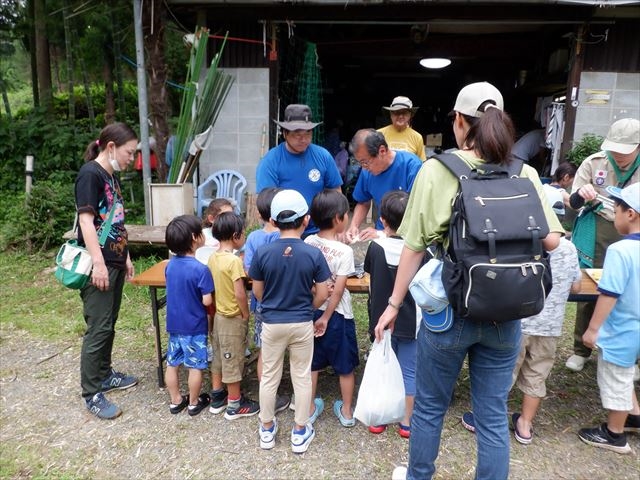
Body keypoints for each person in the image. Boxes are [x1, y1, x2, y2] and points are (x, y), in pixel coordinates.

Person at [375, 82, 563, 480]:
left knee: (428, 407)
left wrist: (393, 305)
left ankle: (418, 475)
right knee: (492, 414)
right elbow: (551, 239)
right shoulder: (524, 171)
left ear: (460, 122)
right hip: (507, 312)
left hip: (452, 311)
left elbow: (412, 245)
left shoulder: (438, 170)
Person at [460, 205, 582, 443]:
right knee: (537, 375)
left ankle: (485, 418)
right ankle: (525, 426)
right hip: (551, 327)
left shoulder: (524, 241)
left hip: (519, 321)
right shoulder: (569, 248)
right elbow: (576, 286)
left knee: (504, 372)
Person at [250, 189, 331, 453]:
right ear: (306, 220)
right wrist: (310, 307)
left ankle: (266, 428)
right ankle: (299, 431)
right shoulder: (312, 253)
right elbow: (323, 291)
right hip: (301, 323)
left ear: (273, 221)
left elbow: (258, 292)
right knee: (302, 376)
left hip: (272, 323)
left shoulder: (263, 252)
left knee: (270, 376)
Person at [565, 118, 640, 373]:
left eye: (625, 150)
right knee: (591, 288)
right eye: (615, 148)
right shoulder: (594, 162)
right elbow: (572, 203)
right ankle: (581, 349)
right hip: (598, 229)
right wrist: (580, 195)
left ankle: (631, 356)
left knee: (632, 294)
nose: (618, 154)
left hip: (635, 233)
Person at [75, 122, 139, 419]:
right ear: (111, 147)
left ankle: (104, 374)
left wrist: (124, 256)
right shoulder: (90, 174)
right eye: (130, 152)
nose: (133, 159)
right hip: (98, 266)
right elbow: (87, 222)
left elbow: (113, 222)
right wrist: (99, 263)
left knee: (109, 322)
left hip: (114, 262)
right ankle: (92, 392)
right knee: (98, 327)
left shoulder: (111, 177)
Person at [578, 182, 640, 454]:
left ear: (631, 214)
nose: (613, 216)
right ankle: (635, 416)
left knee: (616, 378)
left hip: (621, 330)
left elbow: (609, 295)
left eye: (615, 210)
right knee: (625, 374)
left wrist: (592, 330)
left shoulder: (620, 251)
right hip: (636, 329)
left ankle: (614, 434)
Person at [365, 190, 418, 439]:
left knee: (382, 366)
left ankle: (380, 417)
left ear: (383, 220)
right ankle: (406, 421)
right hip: (412, 321)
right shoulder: (421, 250)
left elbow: (369, 274)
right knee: (409, 370)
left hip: (380, 319)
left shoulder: (376, 247)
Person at [304, 190, 359, 428]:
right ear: (339, 219)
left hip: (311, 311)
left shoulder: (308, 242)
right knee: (345, 366)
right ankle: (346, 411)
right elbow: (338, 290)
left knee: (311, 363)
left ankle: (308, 409)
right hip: (337, 315)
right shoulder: (345, 252)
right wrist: (326, 317)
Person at [256, 104, 343, 237]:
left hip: (319, 231)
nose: (303, 139)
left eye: (308, 133)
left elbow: (336, 193)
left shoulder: (323, 156)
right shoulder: (271, 160)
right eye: (297, 134)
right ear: (285, 133)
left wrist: (335, 228)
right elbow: (265, 203)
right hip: (284, 231)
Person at [206, 212, 259, 420]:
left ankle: (218, 396)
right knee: (233, 358)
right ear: (236, 235)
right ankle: (235, 404)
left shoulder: (213, 257)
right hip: (232, 317)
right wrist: (245, 314)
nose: (244, 236)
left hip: (219, 315)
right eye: (244, 233)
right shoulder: (234, 261)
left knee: (219, 355)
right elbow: (239, 292)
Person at [243, 187, 290, 413]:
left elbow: (249, 270)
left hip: (264, 304)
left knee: (265, 351)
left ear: (261, 215)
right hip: (291, 303)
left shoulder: (254, 238)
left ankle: (266, 395)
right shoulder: (288, 238)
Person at [164, 214, 215, 416]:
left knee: (172, 363)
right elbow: (207, 301)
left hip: (174, 324)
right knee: (195, 365)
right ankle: (194, 402)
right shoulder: (201, 269)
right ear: (195, 238)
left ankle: (176, 400)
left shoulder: (170, 266)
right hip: (194, 325)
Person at [345, 129, 422, 242]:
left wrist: (383, 233)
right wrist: (354, 226)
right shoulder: (367, 171)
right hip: (382, 236)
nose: (363, 167)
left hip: (408, 239)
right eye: (360, 163)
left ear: (382, 151)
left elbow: (416, 213)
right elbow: (363, 202)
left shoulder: (412, 166)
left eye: (365, 162)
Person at [378, 96, 426, 161]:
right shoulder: (378, 134)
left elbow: (421, 164)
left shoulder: (417, 137)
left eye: (404, 112)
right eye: (396, 112)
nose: (400, 116)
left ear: (410, 115)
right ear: (391, 114)